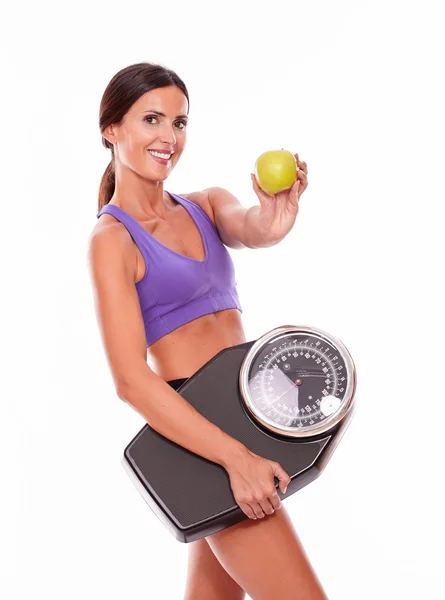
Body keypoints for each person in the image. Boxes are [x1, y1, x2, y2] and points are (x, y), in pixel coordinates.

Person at [87, 62, 327, 600]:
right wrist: (233, 459)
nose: (169, 137)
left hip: (253, 417)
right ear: (112, 129)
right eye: (152, 119)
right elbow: (130, 380)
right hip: (204, 442)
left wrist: (276, 213)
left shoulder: (205, 205)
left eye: (179, 122)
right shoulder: (112, 240)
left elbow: (253, 227)